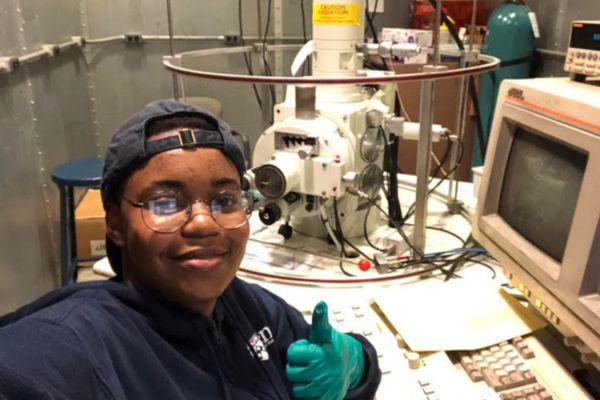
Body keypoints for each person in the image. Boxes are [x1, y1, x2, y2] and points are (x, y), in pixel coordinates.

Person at [0, 100, 381, 399]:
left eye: (224, 200)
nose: (203, 223)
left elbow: (334, 356)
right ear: (115, 224)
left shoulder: (250, 309)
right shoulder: (79, 343)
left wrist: (355, 363)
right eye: (165, 203)